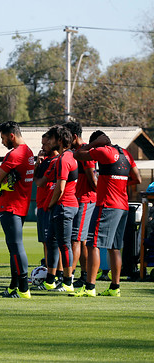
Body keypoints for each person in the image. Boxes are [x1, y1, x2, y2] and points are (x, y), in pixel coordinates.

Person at [71, 131, 140, 297]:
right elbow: (136, 178)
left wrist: (93, 145)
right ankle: (115, 287)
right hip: (123, 206)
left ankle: (90, 287)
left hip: (107, 205)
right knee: (115, 248)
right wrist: (118, 183)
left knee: (92, 244)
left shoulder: (104, 151)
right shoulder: (126, 153)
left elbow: (78, 155)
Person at [0, 121, 34, 299]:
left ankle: (24, 288)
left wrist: (1, 179)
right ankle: (13, 286)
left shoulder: (16, 154)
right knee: (13, 247)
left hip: (11, 206)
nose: (2, 142)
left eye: (3, 138)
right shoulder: (29, 151)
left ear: (11, 135)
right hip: (21, 204)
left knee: (15, 246)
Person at [37, 125, 78, 292]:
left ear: (59, 141)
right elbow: (43, 181)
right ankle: (50, 280)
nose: (49, 141)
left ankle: (68, 282)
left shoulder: (64, 159)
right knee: (52, 243)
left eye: (52, 138)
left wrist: (50, 204)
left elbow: (60, 188)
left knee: (64, 245)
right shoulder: (64, 157)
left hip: (64, 206)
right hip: (62, 206)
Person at [63, 121, 97, 288]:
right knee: (80, 241)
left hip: (85, 199)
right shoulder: (75, 151)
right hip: (77, 199)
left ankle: (68, 278)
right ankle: (84, 275)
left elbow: (92, 179)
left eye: (67, 136)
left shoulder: (85, 151)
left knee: (75, 239)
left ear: (74, 136)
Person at [34, 133, 60, 268]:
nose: (43, 147)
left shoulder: (57, 161)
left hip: (49, 204)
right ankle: (48, 269)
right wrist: (37, 164)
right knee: (45, 241)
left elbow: (40, 183)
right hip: (41, 204)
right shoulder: (44, 160)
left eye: (45, 144)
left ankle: (54, 272)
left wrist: (38, 179)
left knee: (52, 242)